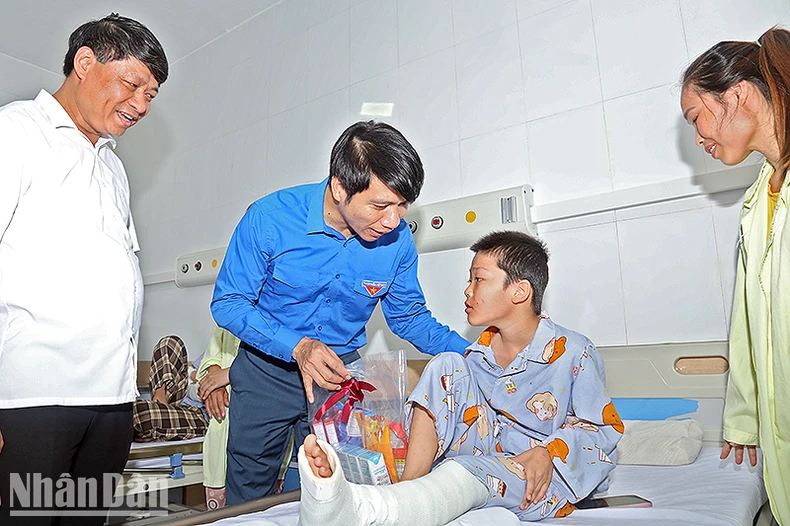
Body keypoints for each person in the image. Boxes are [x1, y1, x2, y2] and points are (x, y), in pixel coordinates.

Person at [211, 120, 470, 505]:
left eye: (402, 206)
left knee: (332, 491)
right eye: (380, 205)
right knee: (250, 491)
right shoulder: (270, 220)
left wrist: (476, 354)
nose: (393, 221)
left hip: (339, 378)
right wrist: (297, 346)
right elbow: (228, 303)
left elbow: (409, 317)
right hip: (267, 371)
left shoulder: (396, 243)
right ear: (339, 187)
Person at [298, 230, 623, 525]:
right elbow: (458, 420)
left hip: (534, 478)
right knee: (445, 364)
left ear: (520, 291)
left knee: (463, 474)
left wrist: (549, 452)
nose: (467, 291)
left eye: (479, 280)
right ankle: (408, 494)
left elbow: (602, 430)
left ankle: (388, 508)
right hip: (472, 463)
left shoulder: (574, 353)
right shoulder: (474, 357)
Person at [0, 13, 167, 524]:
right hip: (35, 398)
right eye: (132, 83)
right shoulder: (16, 131)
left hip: (113, 400)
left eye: (151, 96)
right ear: (85, 62)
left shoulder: (113, 166)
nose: (140, 104)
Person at [680, 27, 790, 525]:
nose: (697, 137)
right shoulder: (756, 204)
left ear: (738, 95)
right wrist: (744, 419)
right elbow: (750, 325)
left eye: (697, 117)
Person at [196, 325, 240, 509]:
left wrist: (228, 375)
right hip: (217, 420)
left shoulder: (277, 304)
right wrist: (214, 383)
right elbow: (210, 358)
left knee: (256, 516)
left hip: (258, 427)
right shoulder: (228, 310)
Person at [133, 336, 209, 442]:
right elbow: (191, 372)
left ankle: (157, 418)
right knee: (170, 343)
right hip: (184, 398)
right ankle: (161, 402)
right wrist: (200, 379)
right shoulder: (221, 347)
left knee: (139, 413)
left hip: (203, 415)